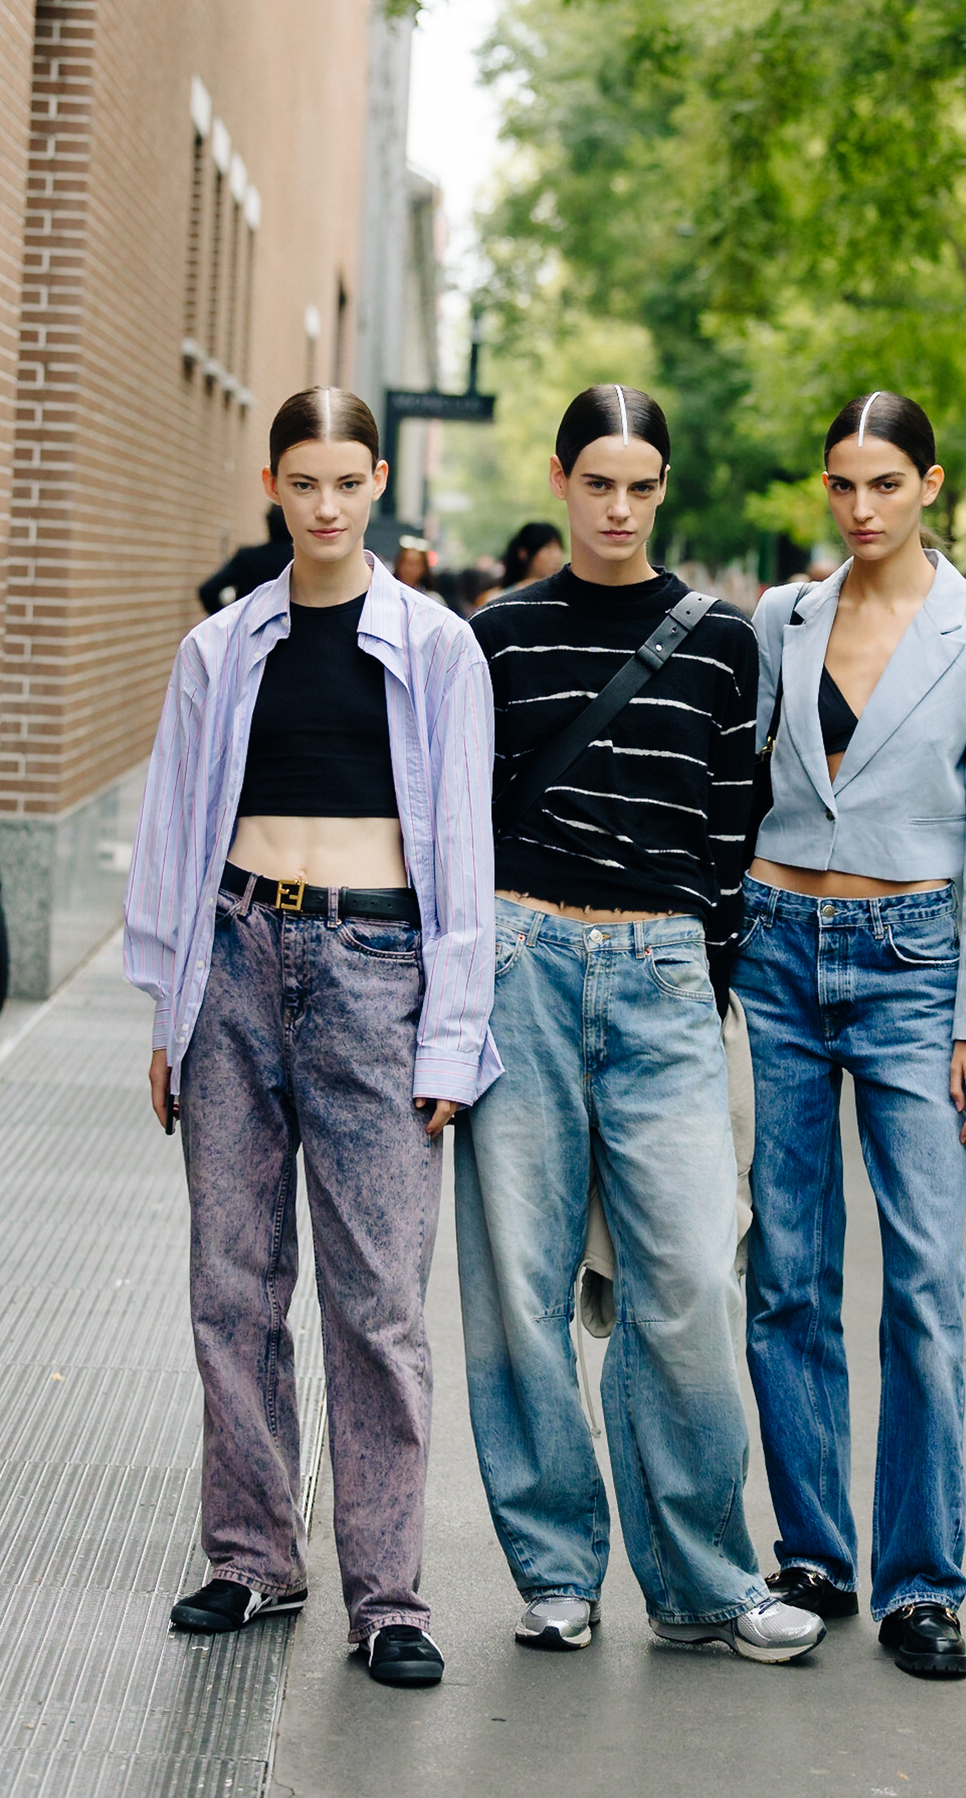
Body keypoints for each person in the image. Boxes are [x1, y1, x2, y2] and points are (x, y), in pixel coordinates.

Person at [124, 386, 498, 1689]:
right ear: (272, 485)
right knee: (233, 1283)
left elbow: (464, 848)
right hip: (231, 959)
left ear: (377, 480)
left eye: (348, 482)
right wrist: (171, 1007)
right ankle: (250, 1556)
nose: (327, 506)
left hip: (375, 966)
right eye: (304, 483)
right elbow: (176, 828)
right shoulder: (222, 647)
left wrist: (453, 1035)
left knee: (381, 1302)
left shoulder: (440, 646)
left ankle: (388, 1594)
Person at [455, 383, 824, 1666]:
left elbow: (733, 828)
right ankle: (556, 1572)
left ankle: (705, 1580)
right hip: (524, 960)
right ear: (562, 482)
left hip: (667, 977)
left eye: (642, 485)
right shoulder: (496, 637)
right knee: (519, 1286)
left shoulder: (723, 643)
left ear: (665, 488)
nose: (619, 507)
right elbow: (464, 827)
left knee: (688, 1284)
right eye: (597, 482)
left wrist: (696, 968)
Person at [734, 390, 966, 1680]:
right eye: (842, 486)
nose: (862, 509)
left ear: (931, 484)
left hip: (916, 966)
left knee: (922, 1285)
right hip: (776, 953)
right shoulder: (781, 618)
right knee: (788, 1272)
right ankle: (815, 1554)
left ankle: (924, 1582)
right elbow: (743, 783)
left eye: (886, 484)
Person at [197, 505, 292, 614]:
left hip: (248, 626)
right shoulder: (302, 560)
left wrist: (228, 620)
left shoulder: (247, 557)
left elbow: (208, 590)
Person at [498, 520, 564, 592]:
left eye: (559, 548)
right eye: (548, 548)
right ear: (524, 553)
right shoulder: (500, 596)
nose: (556, 556)